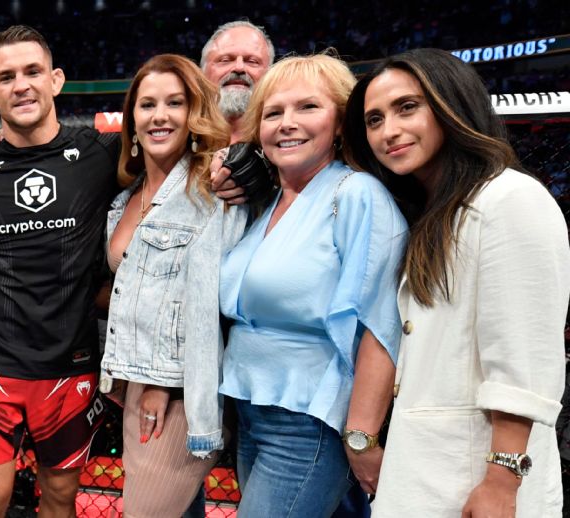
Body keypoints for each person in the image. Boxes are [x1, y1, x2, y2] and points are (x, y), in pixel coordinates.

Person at [346, 48, 570, 518]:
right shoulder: (435, 212)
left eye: (407, 107)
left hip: (480, 480)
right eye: (374, 120)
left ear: (453, 105)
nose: (389, 131)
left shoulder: (510, 198)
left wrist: (501, 481)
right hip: (426, 472)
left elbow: (523, 359)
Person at [217, 54, 407, 517]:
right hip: (249, 411)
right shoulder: (264, 201)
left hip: (310, 422)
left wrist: (361, 436)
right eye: (273, 112)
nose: (287, 123)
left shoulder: (357, 194)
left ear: (340, 123)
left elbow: (381, 324)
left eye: (307, 107)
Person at [0, 25, 117, 518]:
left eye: (32, 71)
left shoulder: (99, 154)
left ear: (56, 80)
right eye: (6, 77)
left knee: (61, 499)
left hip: (69, 365)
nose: (21, 85)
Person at [99, 53, 244, 518]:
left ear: (194, 113)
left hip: (179, 392)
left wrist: (165, 386)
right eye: (147, 105)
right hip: (134, 383)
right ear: (132, 120)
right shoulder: (126, 196)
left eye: (174, 103)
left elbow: (207, 301)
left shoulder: (214, 189)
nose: (159, 116)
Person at [200, 21, 274, 144]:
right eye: (225, 60)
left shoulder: (282, 138)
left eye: (252, 61)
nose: (239, 68)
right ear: (202, 72)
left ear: (270, 74)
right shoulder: (180, 140)